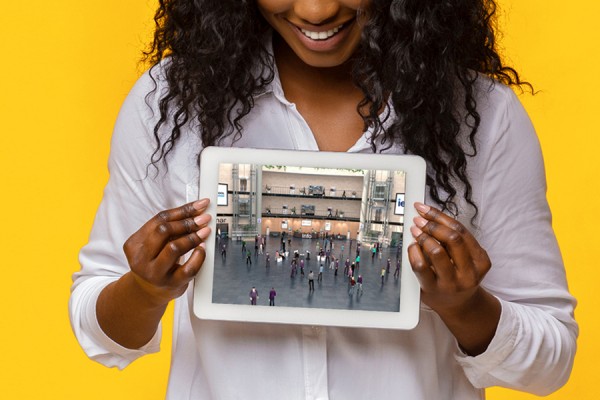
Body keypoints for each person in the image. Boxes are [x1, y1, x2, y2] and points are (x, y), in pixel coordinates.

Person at [69, 1, 577, 399]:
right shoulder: (170, 103)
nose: (315, 11)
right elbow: (99, 328)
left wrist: (465, 307)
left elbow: (552, 360)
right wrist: (144, 289)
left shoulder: (484, 116)